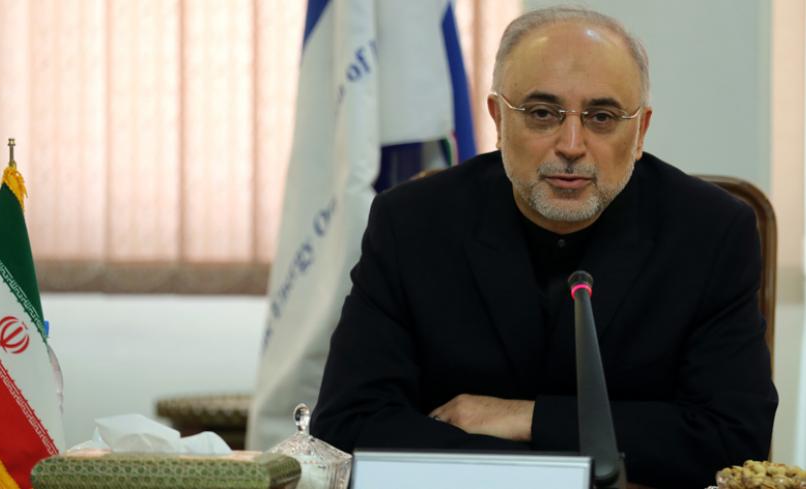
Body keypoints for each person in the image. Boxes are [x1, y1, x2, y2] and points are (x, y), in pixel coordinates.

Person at [310, 6, 777, 488]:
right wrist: (566, 463)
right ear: (497, 118)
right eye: (541, 113)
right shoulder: (412, 223)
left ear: (640, 133)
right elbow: (348, 425)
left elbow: (733, 440)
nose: (571, 144)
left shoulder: (711, 232)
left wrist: (529, 419)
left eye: (602, 116)